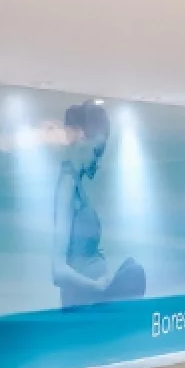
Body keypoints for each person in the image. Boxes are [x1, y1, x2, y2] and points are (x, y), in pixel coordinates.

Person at [51, 102, 144, 308]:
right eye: (97, 152)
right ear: (81, 138)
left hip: (92, 301)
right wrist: (98, 286)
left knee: (133, 269)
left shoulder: (76, 186)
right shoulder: (66, 186)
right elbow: (57, 270)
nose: (98, 162)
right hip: (82, 305)